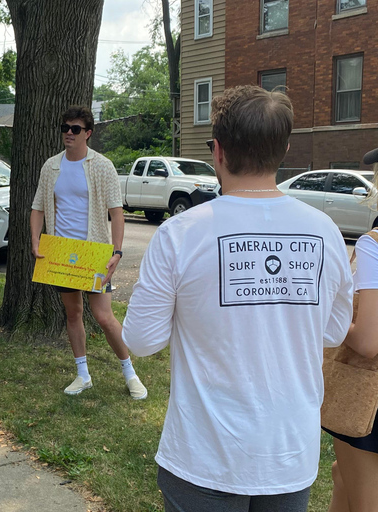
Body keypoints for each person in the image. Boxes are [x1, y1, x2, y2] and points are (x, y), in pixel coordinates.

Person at [122, 85, 353, 512]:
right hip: (288, 453)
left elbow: (141, 340)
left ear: (219, 150)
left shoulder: (180, 234)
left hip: (204, 455)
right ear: (283, 149)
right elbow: (334, 330)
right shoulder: (325, 232)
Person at [31, 105, 147, 398]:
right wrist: (35, 241)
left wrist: (117, 252)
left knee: (104, 316)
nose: (69, 133)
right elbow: (38, 208)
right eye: (65, 128)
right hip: (60, 252)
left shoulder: (102, 166)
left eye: (76, 129)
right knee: (73, 314)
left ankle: (130, 373)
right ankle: (82, 374)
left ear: (88, 133)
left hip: (93, 253)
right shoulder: (51, 166)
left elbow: (117, 214)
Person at [326, 146, 378, 512]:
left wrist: (327, 311)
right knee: (340, 476)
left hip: (369, 400)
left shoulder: (373, 246)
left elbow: (367, 341)